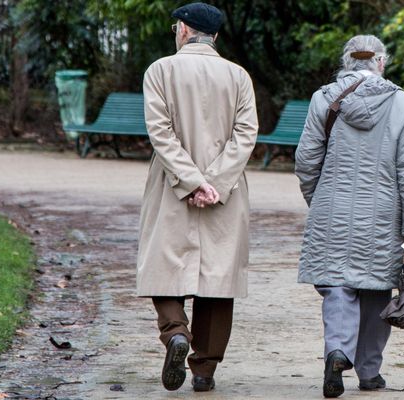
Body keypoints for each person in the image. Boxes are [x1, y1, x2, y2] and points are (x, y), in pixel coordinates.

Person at [295, 34, 404, 398]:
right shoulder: (400, 101)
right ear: (380, 62)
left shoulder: (324, 98)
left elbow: (306, 160)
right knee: (375, 287)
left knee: (338, 283)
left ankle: (337, 350)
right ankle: (369, 372)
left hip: (332, 208)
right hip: (384, 213)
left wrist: (317, 199)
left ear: (346, 61)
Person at [136, 2, 258, 393]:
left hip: (172, 186)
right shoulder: (238, 76)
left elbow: (160, 132)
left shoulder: (160, 70)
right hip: (227, 192)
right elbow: (246, 135)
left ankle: (175, 333)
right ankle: (204, 370)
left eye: (177, 26)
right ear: (215, 36)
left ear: (185, 30)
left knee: (162, 263)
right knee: (218, 278)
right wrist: (215, 184)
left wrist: (190, 181)